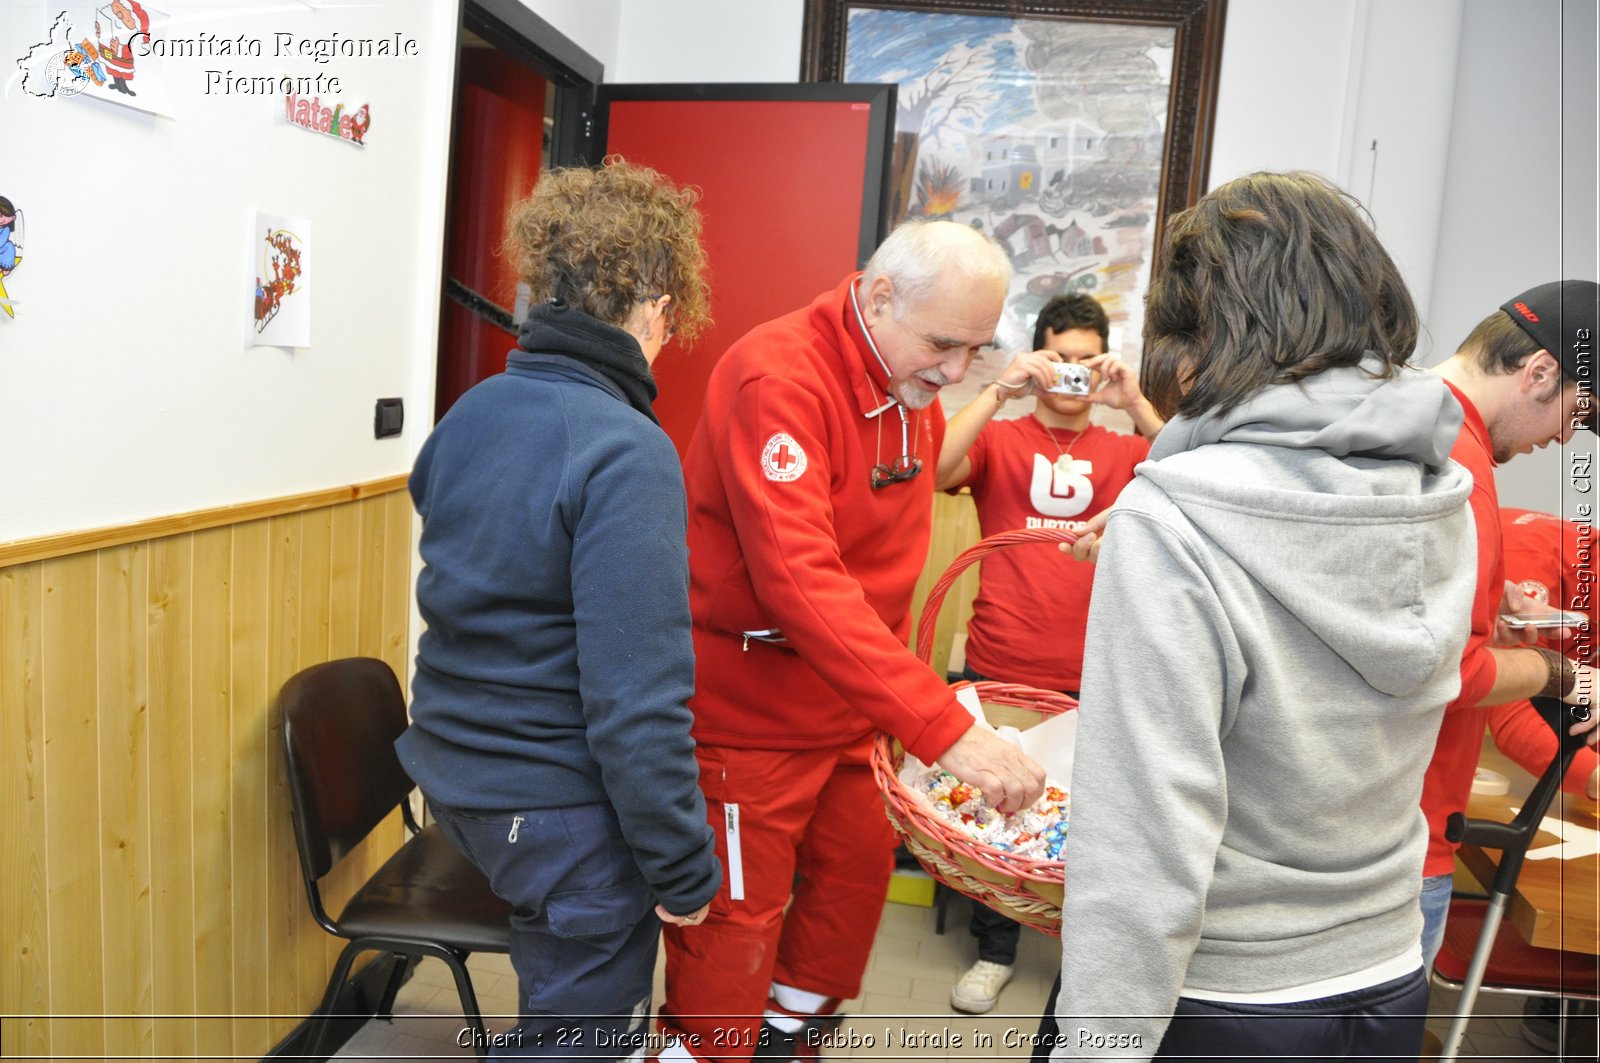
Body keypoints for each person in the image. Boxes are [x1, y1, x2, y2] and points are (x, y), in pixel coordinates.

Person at [1050, 171, 1481, 1060]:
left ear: (1201, 330)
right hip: (1389, 973)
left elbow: (1144, 839)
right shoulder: (1442, 493)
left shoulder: (1173, 516)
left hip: (1229, 993)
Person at [661, 219, 1046, 1062]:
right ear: (878, 296)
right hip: (750, 717)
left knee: (846, 899)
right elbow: (803, 583)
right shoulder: (779, 377)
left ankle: (789, 1040)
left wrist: (903, 713)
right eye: (944, 343)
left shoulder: (909, 388)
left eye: (975, 352)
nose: (953, 371)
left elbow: (889, 572)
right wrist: (942, 729)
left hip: (855, 713)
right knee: (735, 931)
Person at [396, 159, 722, 1058]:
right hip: (550, 809)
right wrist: (683, 866)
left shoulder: (469, 413)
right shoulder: (629, 451)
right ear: (658, 307)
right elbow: (635, 705)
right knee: (577, 1040)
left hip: (453, 777)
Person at [933, 292, 1162, 1014]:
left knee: (1092, 821)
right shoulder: (1002, 439)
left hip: (1098, 669)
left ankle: (1086, 967)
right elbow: (934, 466)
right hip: (1002, 659)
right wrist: (999, 387)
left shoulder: (1128, 451)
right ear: (1039, 360)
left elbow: (1204, 474)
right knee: (1000, 815)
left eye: (1085, 362)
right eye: (1058, 360)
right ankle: (995, 953)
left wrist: (1136, 401)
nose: (1072, 376)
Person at [1417, 280, 1599, 973]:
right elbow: (1446, 671)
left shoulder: (1433, 430)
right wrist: (1568, 674)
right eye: (1574, 418)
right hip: (1407, 836)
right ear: (1541, 371)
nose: (1562, 439)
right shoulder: (1456, 460)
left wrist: (1491, 617)